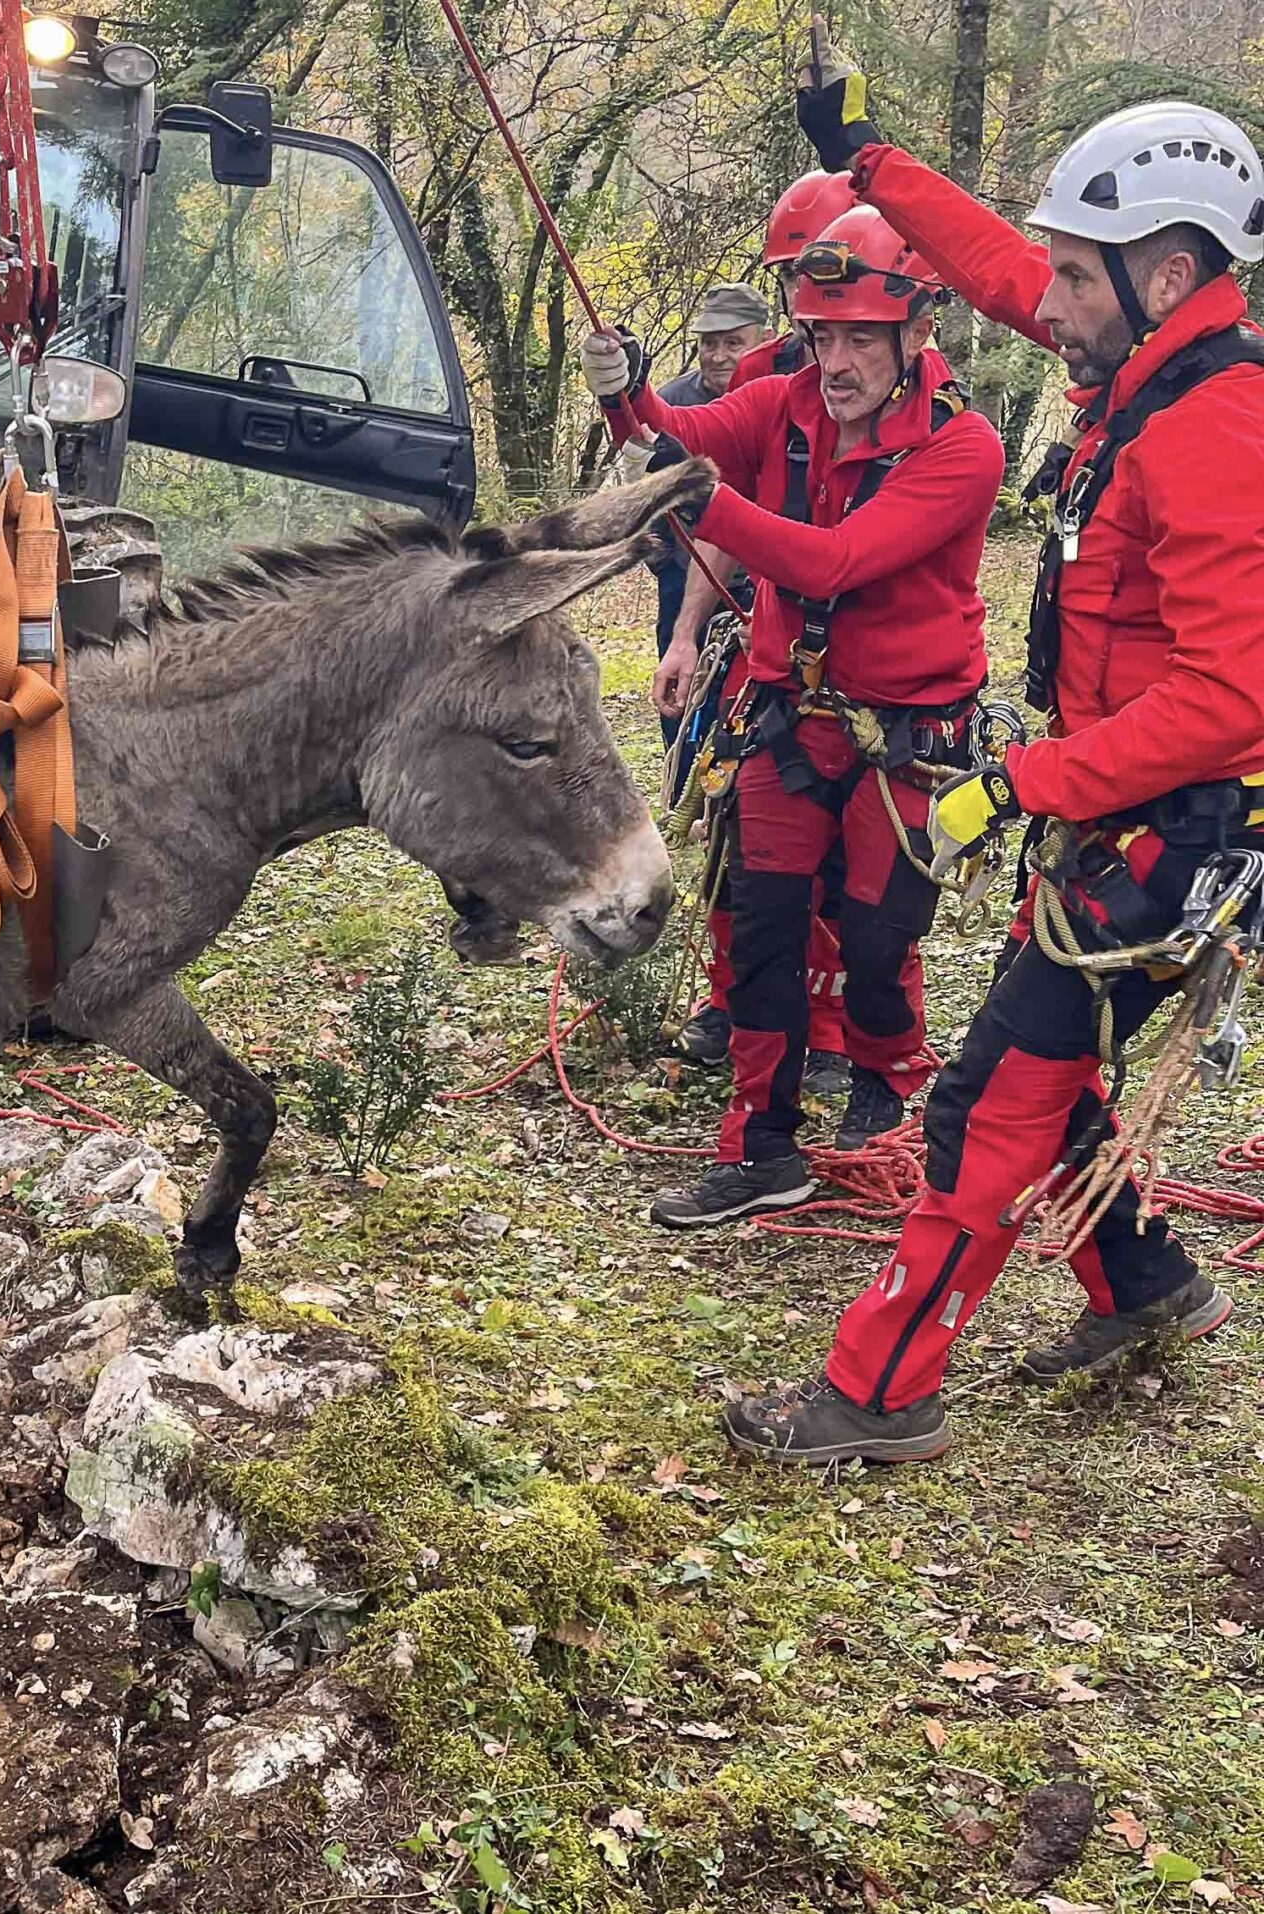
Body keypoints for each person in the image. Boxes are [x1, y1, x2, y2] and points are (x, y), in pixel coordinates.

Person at [716, 64, 1264, 1464]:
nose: (1045, 304)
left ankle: (876, 1389)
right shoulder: (1141, 357)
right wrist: (868, 159)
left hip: (1160, 837)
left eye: (1076, 281)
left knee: (985, 1111)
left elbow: (1231, 698)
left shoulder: (1214, 429)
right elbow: (1002, 265)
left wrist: (1035, 782)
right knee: (1054, 1075)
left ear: (1170, 268)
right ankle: (1150, 1288)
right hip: (1116, 822)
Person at [586, 204, 1004, 1229]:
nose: (837, 359)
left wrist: (694, 496)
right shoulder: (785, 406)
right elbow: (676, 433)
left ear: (916, 334)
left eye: (861, 336)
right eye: (821, 334)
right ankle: (761, 1148)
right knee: (761, 936)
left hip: (909, 735)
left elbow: (836, 562)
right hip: (789, 716)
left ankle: (883, 1086)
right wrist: (627, 392)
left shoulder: (962, 450)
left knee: (872, 939)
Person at [669, 176, 859, 1088]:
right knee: (737, 825)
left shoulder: (908, 389)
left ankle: (835, 1026)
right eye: (787, 276)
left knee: (848, 854)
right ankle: (735, 997)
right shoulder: (761, 378)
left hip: (859, 656)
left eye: (811, 271)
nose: (800, 299)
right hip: (758, 640)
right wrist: (684, 633)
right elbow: (719, 508)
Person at [647, 283, 772, 787]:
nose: (718, 355)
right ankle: (681, 787)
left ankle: (734, 789)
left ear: (762, 338)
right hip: (686, 574)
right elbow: (649, 492)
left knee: (748, 692)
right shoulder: (673, 404)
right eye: (708, 342)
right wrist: (666, 564)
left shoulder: (787, 395)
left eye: (733, 342)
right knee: (679, 678)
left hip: (766, 580)